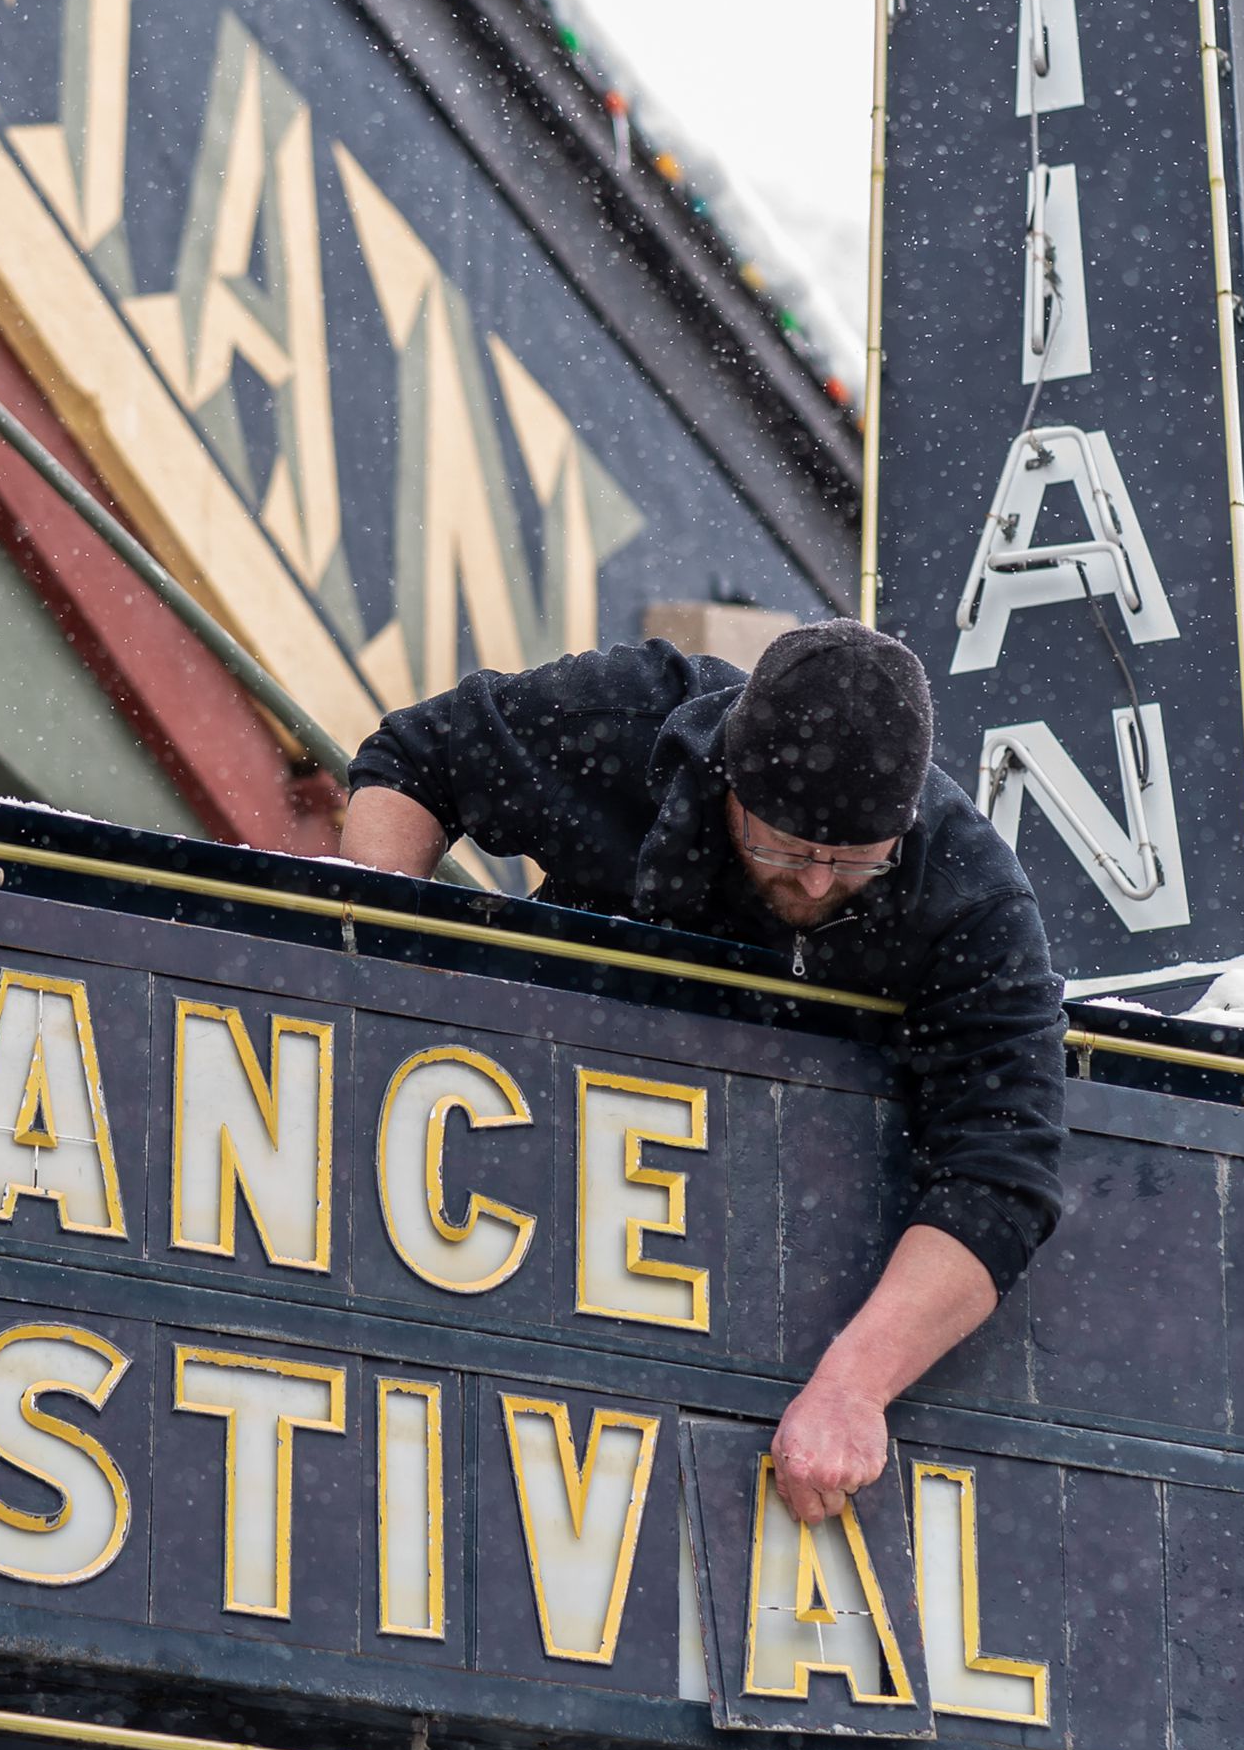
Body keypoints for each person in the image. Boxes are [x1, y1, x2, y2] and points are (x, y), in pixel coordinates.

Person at [341, 619, 1064, 1529]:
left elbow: (1000, 1177)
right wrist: (378, 980)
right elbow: (416, 760)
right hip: (495, 1150)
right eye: (786, 850)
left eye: (853, 866)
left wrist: (853, 1388)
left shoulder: (972, 897)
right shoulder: (632, 719)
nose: (812, 887)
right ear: (730, 782)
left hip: (745, 1251)